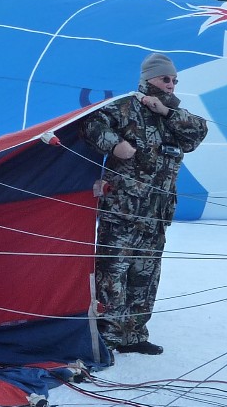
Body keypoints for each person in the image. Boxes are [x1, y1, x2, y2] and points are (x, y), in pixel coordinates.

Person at [80, 53, 208, 355]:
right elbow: (90, 124)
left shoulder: (172, 115)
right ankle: (108, 336)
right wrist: (116, 145)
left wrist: (166, 111)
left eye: (175, 80)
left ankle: (134, 334)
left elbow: (198, 133)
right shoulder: (125, 107)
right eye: (165, 78)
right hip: (123, 211)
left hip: (157, 214)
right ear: (149, 78)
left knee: (145, 274)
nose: (171, 84)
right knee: (113, 272)